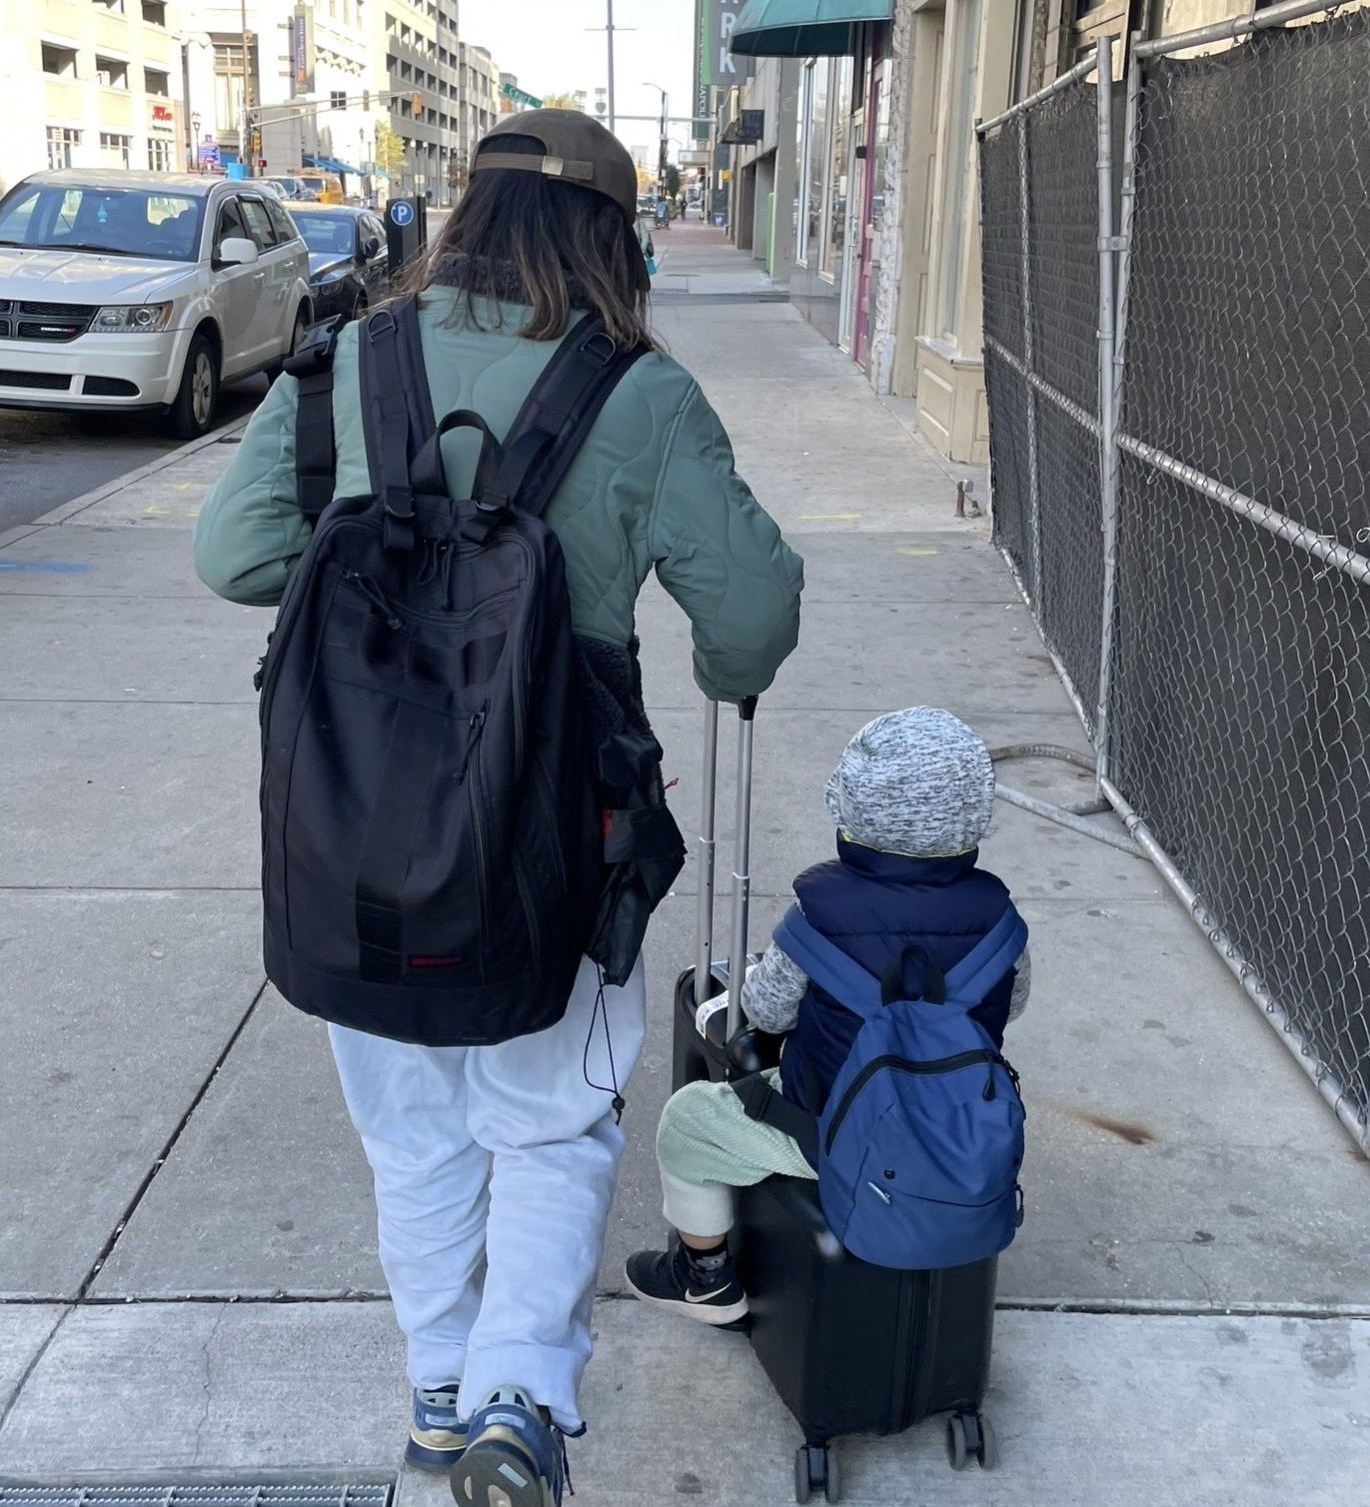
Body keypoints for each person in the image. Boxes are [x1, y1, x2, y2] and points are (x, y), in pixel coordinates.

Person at [193, 109, 803, 1507]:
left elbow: (234, 557)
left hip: (356, 833)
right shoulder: (636, 393)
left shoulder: (348, 360)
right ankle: (518, 1394)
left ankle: (430, 1389)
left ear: (461, 217)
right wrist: (707, 659)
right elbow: (752, 621)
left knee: (410, 1132)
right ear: (613, 236)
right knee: (545, 1123)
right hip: (554, 842)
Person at [624, 708, 1032, 1323]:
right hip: (957, 1135)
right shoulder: (1002, 923)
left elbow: (764, 1011)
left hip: (828, 1130)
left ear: (847, 808)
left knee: (687, 1123)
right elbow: (1013, 1006)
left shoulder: (817, 918)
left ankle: (702, 1276)